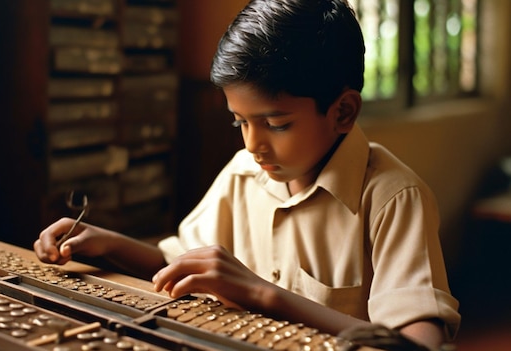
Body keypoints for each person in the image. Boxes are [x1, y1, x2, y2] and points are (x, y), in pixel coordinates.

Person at [34, 0, 461, 349]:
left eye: (276, 124)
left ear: (343, 111)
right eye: (240, 122)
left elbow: (418, 344)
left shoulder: (392, 198)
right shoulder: (244, 174)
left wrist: (262, 294)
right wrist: (108, 244)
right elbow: (181, 264)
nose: (253, 144)